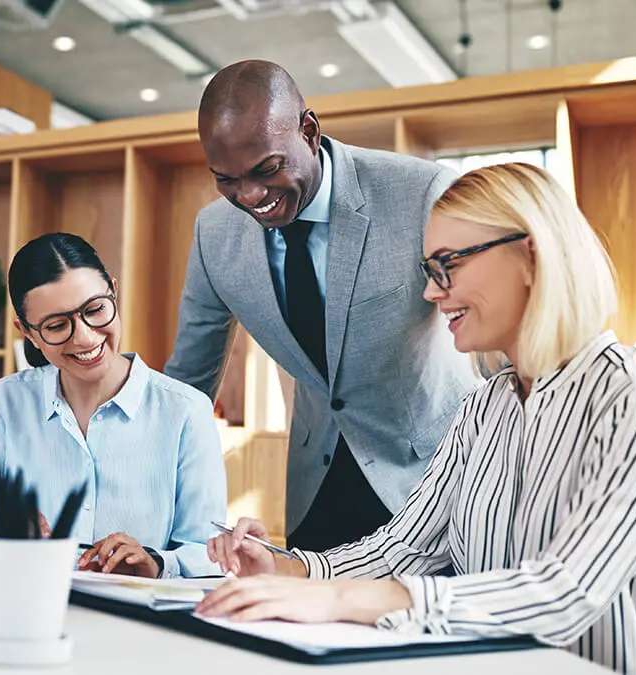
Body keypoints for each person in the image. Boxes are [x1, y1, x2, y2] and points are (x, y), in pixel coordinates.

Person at [198, 163, 636, 673]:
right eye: (428, 270)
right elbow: (403, 547)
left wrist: (345, 601)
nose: (431, 292)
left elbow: (568, 590)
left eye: (448, 265)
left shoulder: (634, 393)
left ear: (530, 254)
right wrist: (287, 567)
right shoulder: (482, 409)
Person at [165, 60, 478, 551]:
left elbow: (495, 332)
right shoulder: (214, 233)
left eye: (267, 168)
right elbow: (188, 381)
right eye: (226, 179)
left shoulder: (421, 193)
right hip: (317, 492)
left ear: (309, 131)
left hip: (436, 483)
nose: (250, 196)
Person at [0, 233, 226, 579]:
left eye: (95, 310)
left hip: (137, 624)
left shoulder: (185, 411)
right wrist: (3, 542)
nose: (85, 337)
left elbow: (209, 557)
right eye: (56, 325)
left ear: (113, 290)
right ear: (28, 332)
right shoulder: (6, 402)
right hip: (30, 609)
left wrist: (155, 563)